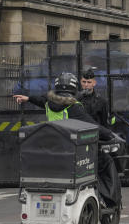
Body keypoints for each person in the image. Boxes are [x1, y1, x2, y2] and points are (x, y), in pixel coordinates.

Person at [14, 73, 120, 208]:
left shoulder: (49, 103)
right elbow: (93, 127)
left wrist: (28, 98)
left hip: (52, 148)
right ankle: (110, 200)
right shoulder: (74, 107)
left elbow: (41, 100)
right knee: (106, 162)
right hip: (72, 150)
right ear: (74, 89)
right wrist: (110, 135)